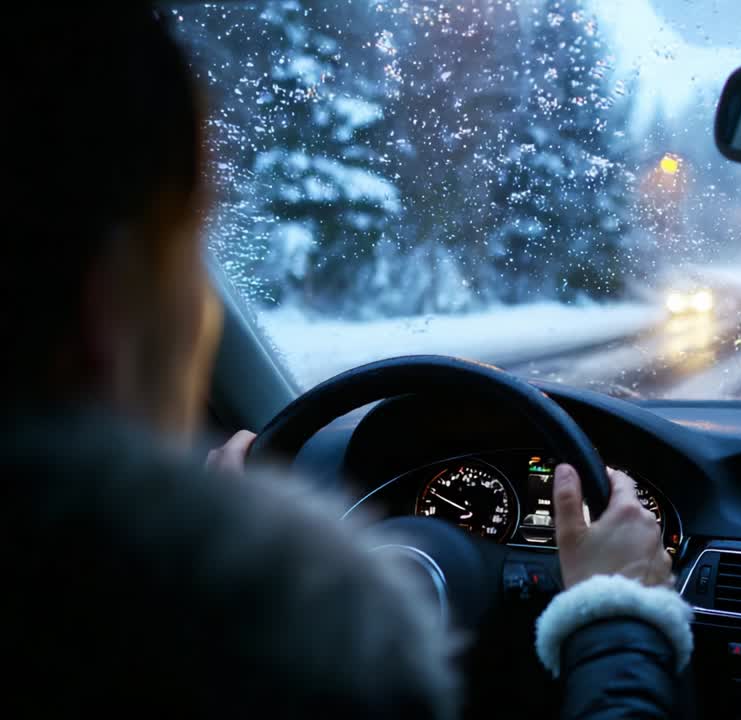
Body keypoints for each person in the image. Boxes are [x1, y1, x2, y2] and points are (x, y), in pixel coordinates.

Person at [4, 4, 689, 719]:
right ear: (108, 303)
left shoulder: (95, 616)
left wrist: (218, 559)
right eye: (189, 250)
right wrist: (619, 616)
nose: (203, 310)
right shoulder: (272, 654)